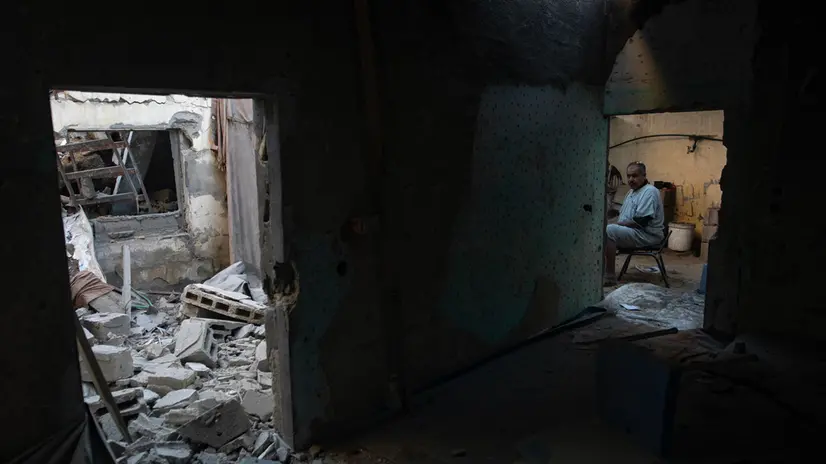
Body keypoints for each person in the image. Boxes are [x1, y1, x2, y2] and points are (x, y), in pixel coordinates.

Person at [604, 161, 665, 285]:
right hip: (635, 232)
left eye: (635, 176)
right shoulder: (632, 192)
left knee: (609, 230)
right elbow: (623, 216)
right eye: (629, 176)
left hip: (647, 235)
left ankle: (610, 276)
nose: (631, 179)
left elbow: (640, 222)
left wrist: (616, 224)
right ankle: (601, 271)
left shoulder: (650, 191)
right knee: (601, 228)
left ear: (644, 175)